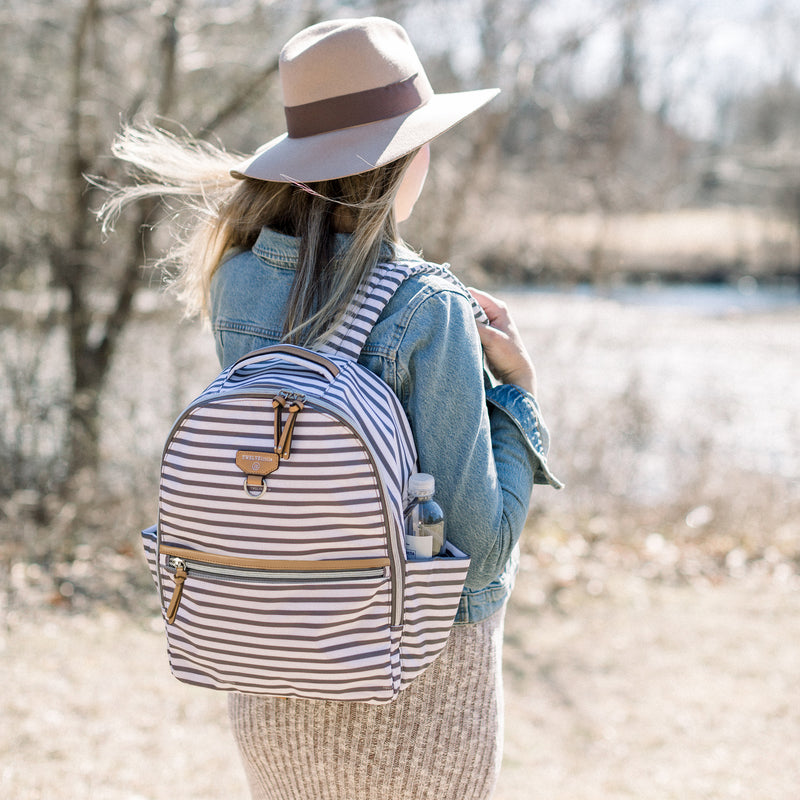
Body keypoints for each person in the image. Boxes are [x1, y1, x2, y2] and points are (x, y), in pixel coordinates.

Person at [102, 15, 561, 800]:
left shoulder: (239, 281)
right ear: (403, 157)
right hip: (417, 688)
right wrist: (516, 399)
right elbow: (476, 552)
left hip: (267, 665)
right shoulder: (428, 307)